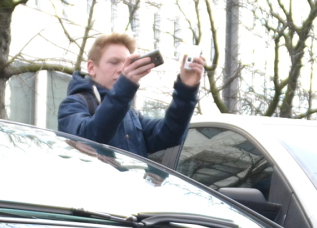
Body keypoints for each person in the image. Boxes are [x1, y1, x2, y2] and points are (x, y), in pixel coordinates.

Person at [58, 33, 207, 159]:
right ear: (91, 67)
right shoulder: (73, 104)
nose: (122, 69)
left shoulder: (130, 114)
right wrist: (125, 86)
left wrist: (186, 89)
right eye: (114, 62)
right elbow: (88, 140)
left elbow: (170, 135)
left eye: (127, 64)